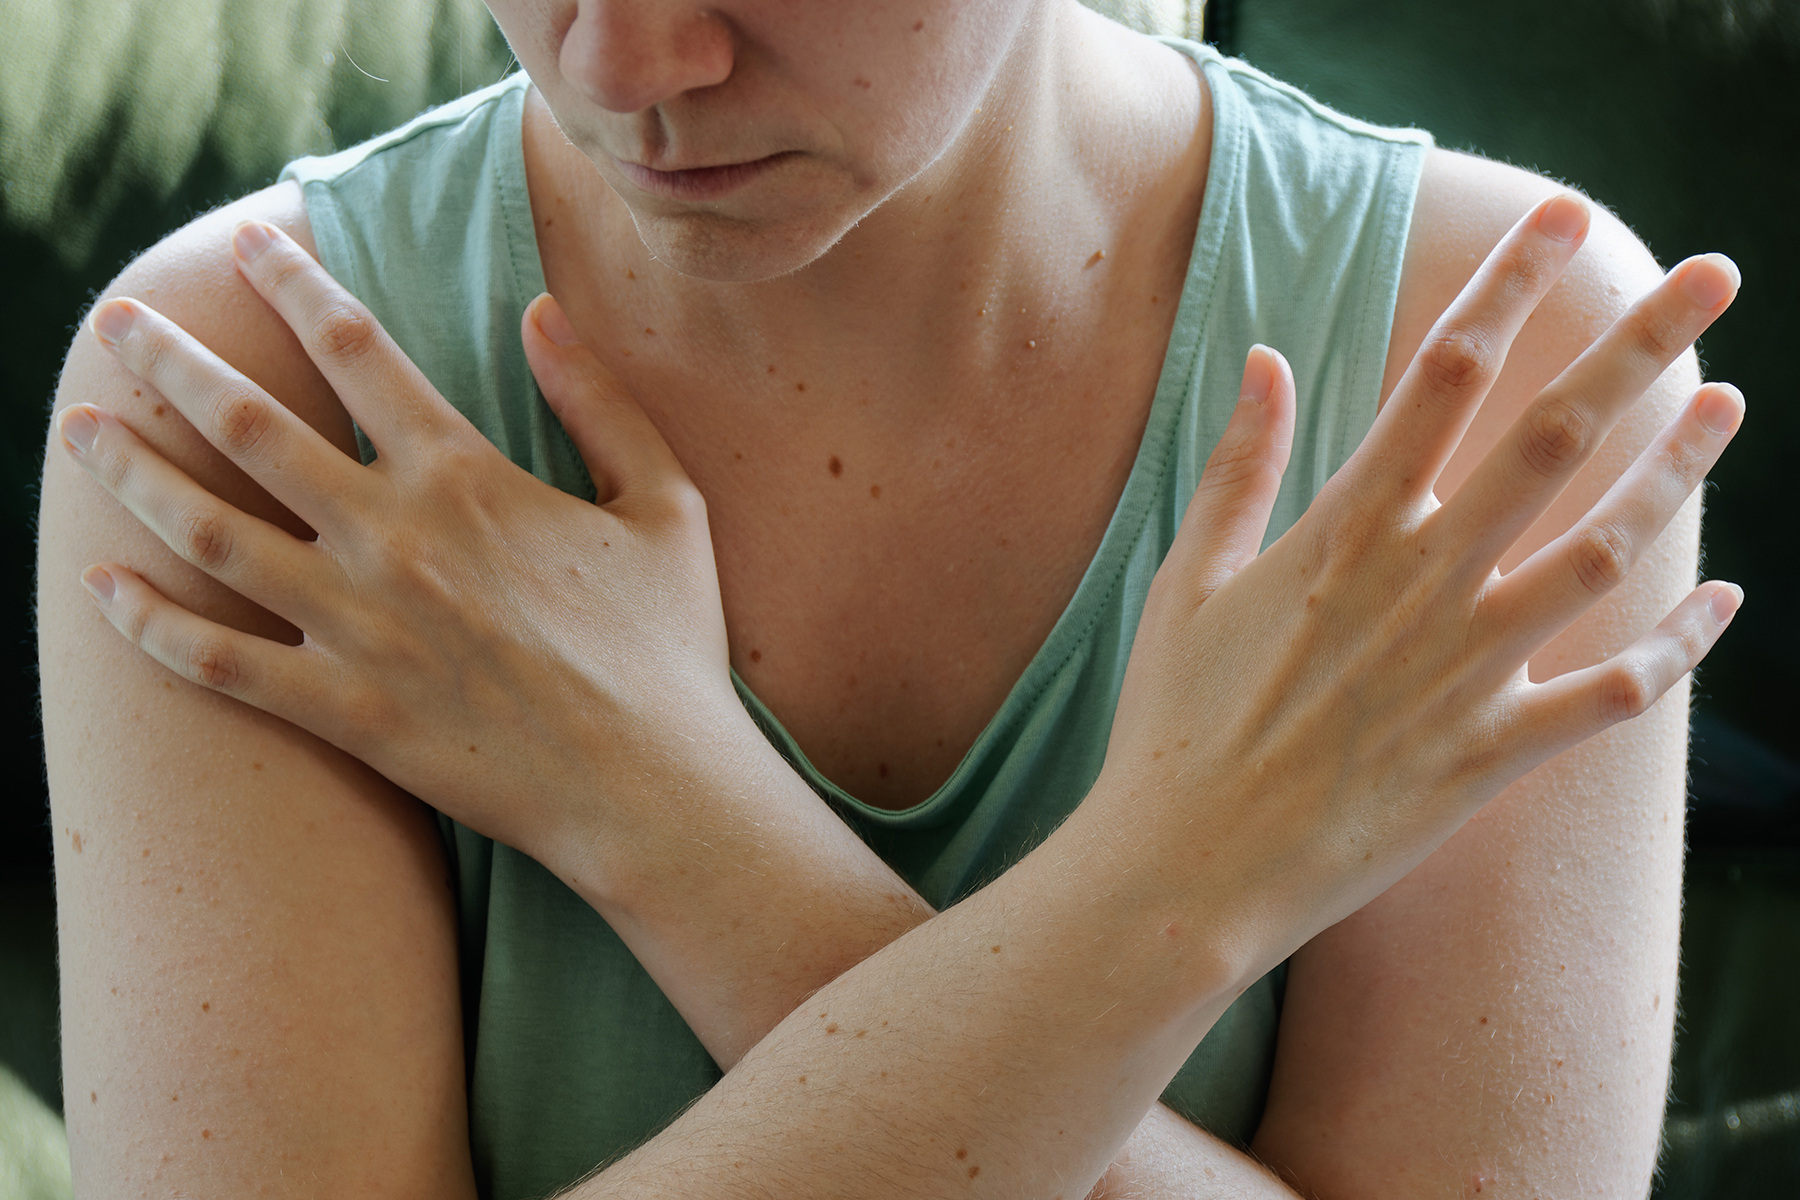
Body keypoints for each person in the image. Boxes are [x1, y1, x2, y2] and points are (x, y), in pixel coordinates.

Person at [37, 2, 1743, 1196]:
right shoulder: (242, 390)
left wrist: (652, 805)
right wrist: (1189, 879)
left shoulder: (1495, 356)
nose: (626, 62)